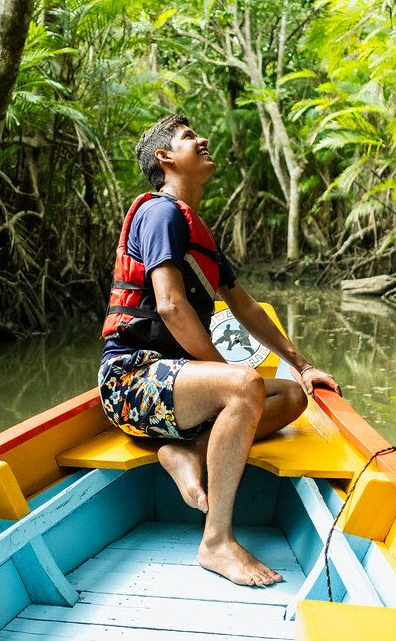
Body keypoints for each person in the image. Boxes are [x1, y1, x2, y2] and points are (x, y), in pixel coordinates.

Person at [97, 114, 340, 587]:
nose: (203, 139)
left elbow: (245, 308)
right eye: (190, 138)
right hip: (130, 382)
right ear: (165, 159)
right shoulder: (160, 213)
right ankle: (216, 542)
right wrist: (230, 378)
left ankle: (185, 450)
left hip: (174, 388)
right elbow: (168, 306)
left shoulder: (196, 230)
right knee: (245, 386)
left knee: (290, 397)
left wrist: (303, 367)